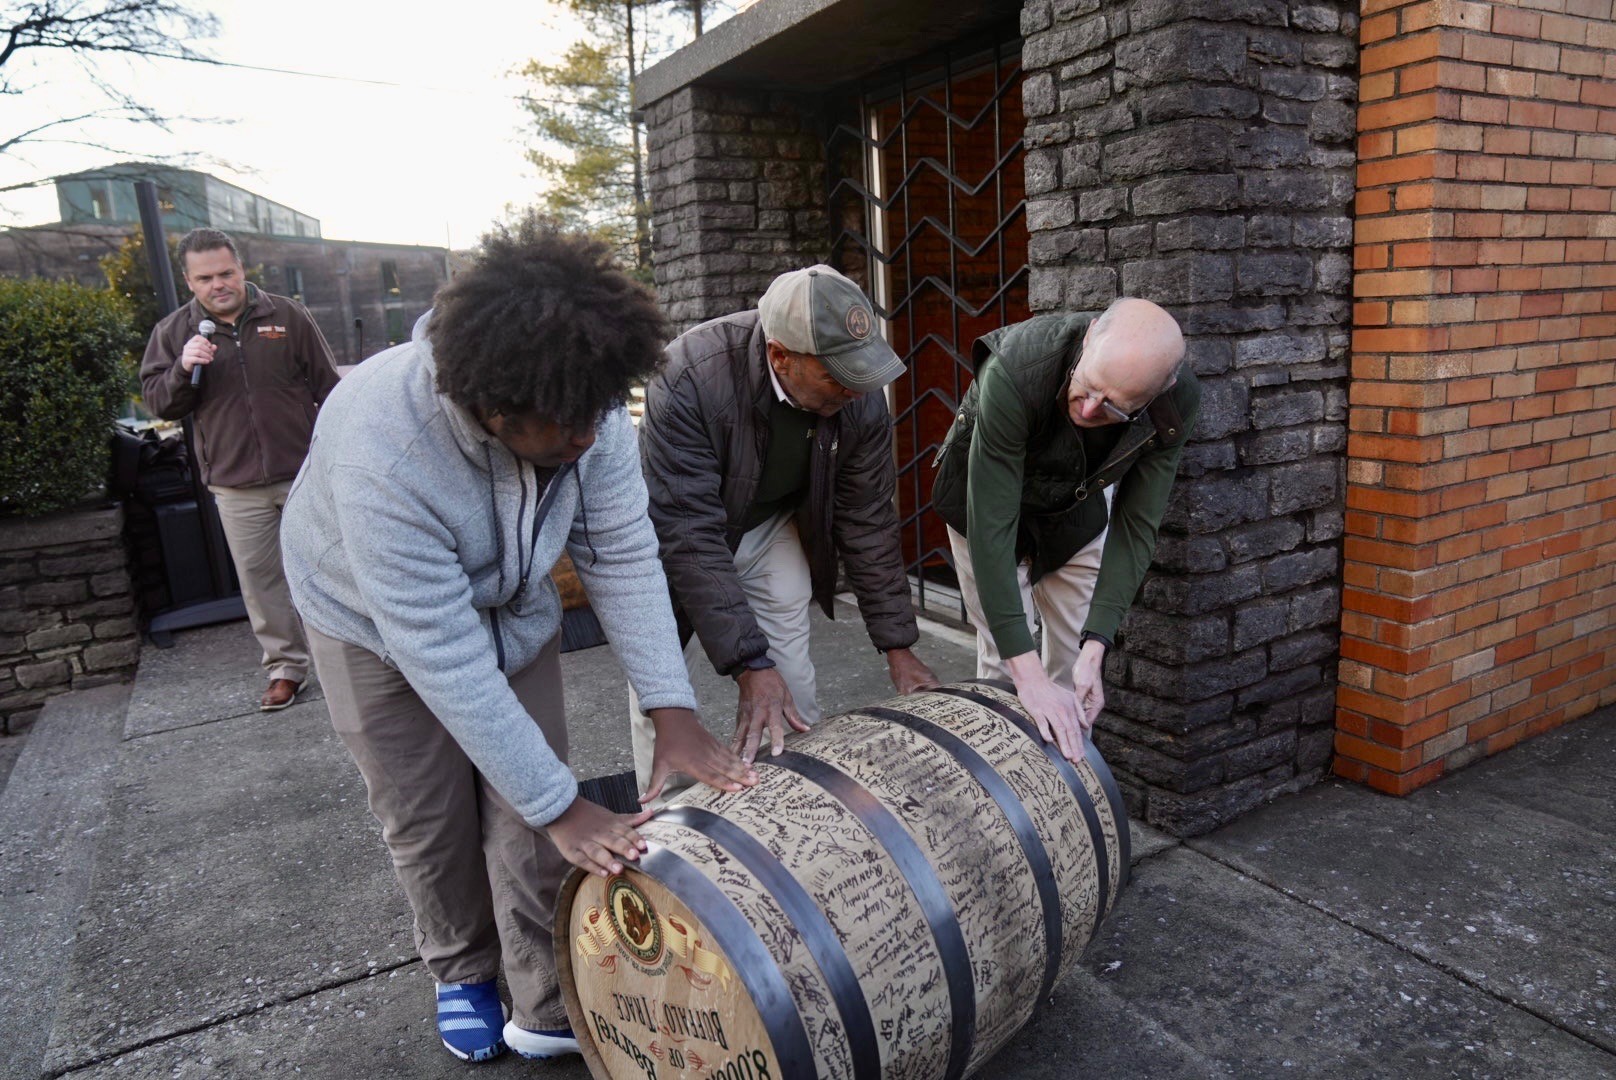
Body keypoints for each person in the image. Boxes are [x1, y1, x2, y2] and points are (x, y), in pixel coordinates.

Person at [280, 218, 755, 1064]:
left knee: (529, 813)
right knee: (427, 815)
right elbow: (442, 659)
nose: (588, 441)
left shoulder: (585, 401)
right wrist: (565, 807)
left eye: (598, 420)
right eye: (567, 431)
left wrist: (671, 706)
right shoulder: (382, 452)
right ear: (495, 409)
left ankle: (545, 995)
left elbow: (622, 553)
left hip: (512, 601)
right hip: (366, 622)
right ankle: (462, 969)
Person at [634, 264, 940, 797]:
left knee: (789, 679)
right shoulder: (688, 377)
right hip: (673, 540)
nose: (855, 387)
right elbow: (689, 534)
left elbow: (867, 519)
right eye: (836, 374)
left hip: (769, 524)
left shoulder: (858, 394)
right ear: (780, 356)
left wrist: (898, 645)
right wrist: (748, 663)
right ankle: (668, 838)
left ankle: (793, 813)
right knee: (660, 691)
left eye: (860, 370)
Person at [931, 297, 1201, 763]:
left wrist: (1098, 645)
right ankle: (1006, 785)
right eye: (1089, 386)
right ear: (1092, 334)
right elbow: (993, 525)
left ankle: (1063, 799)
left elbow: (1136, 526)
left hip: (1075, 515)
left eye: (1115, 407)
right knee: (1006, 664)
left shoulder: (1174, 402)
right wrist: (1027, 677)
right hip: (982, 509)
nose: (1091, 408)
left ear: (1162, 390)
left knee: (1075, 666)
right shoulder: (1015, 369)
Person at [140, 227, 339, 711]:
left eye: (225, 272)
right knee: (260, 581)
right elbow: (159, 403)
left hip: (304, 474)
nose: (218, 284)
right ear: (190, 281)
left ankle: (349, 661)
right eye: (205, 277)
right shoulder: (173, 333)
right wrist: (182, 369)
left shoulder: (286, 315)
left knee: (330, 569)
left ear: (241, 269)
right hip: (234, 483)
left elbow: (329, 388)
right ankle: (286, 668)